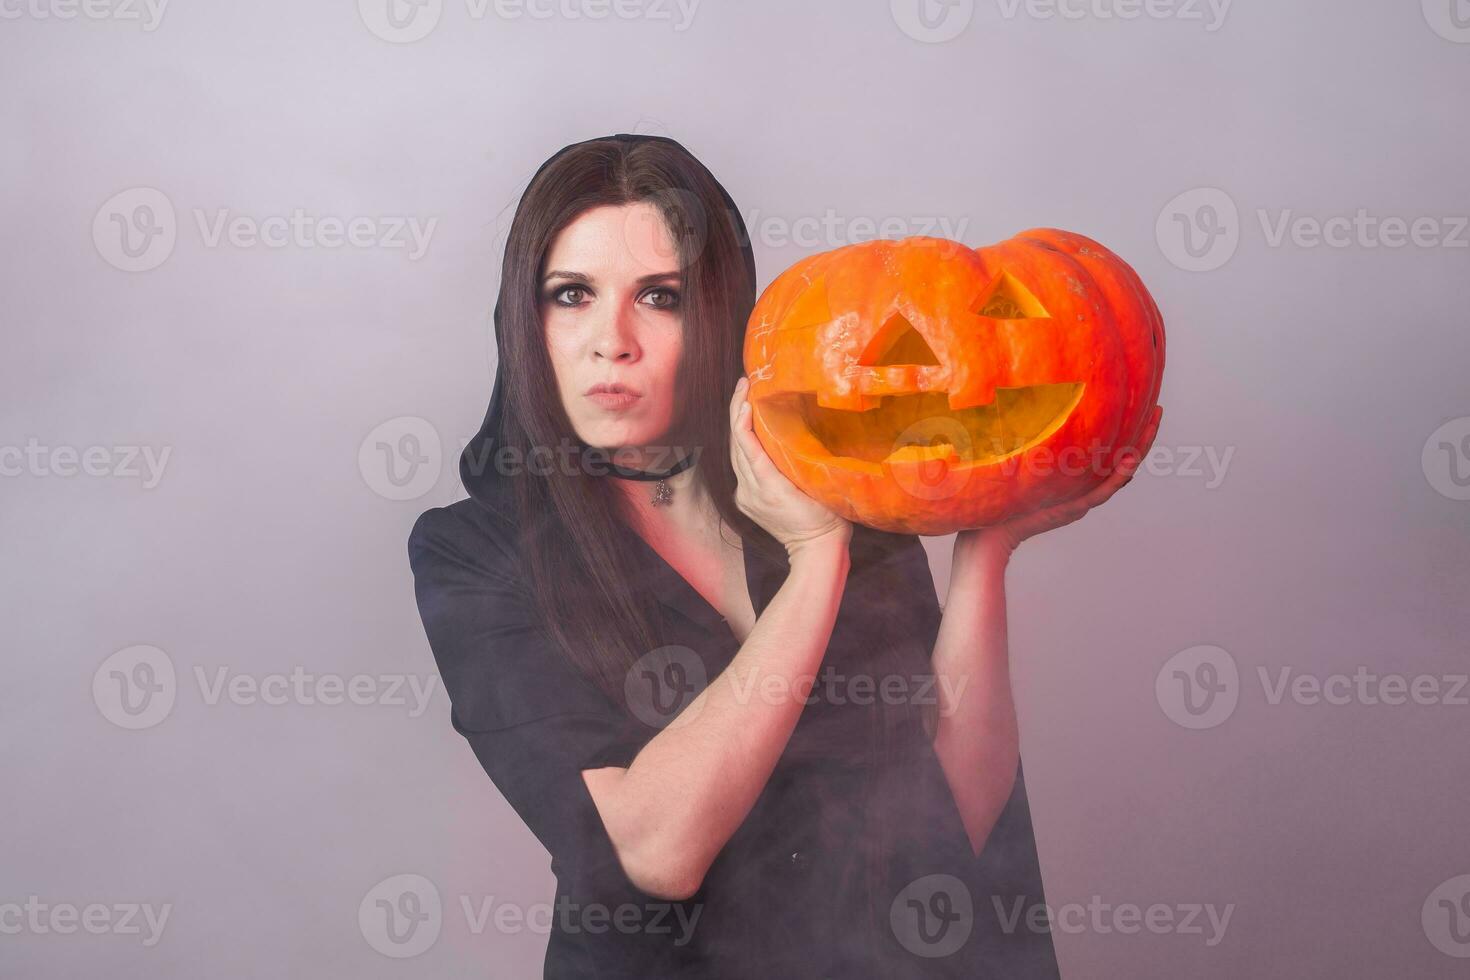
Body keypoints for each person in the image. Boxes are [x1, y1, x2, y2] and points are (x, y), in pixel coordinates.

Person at [407, 132, 1160, 978]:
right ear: (524, 315)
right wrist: (813, 561)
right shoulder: (475, 554)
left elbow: (958, 811)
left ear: (720, 313)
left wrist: (987, 548)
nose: (610, 340)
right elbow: (655, 850)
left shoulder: (846, 483)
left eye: (660, 296)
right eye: (571, 294)